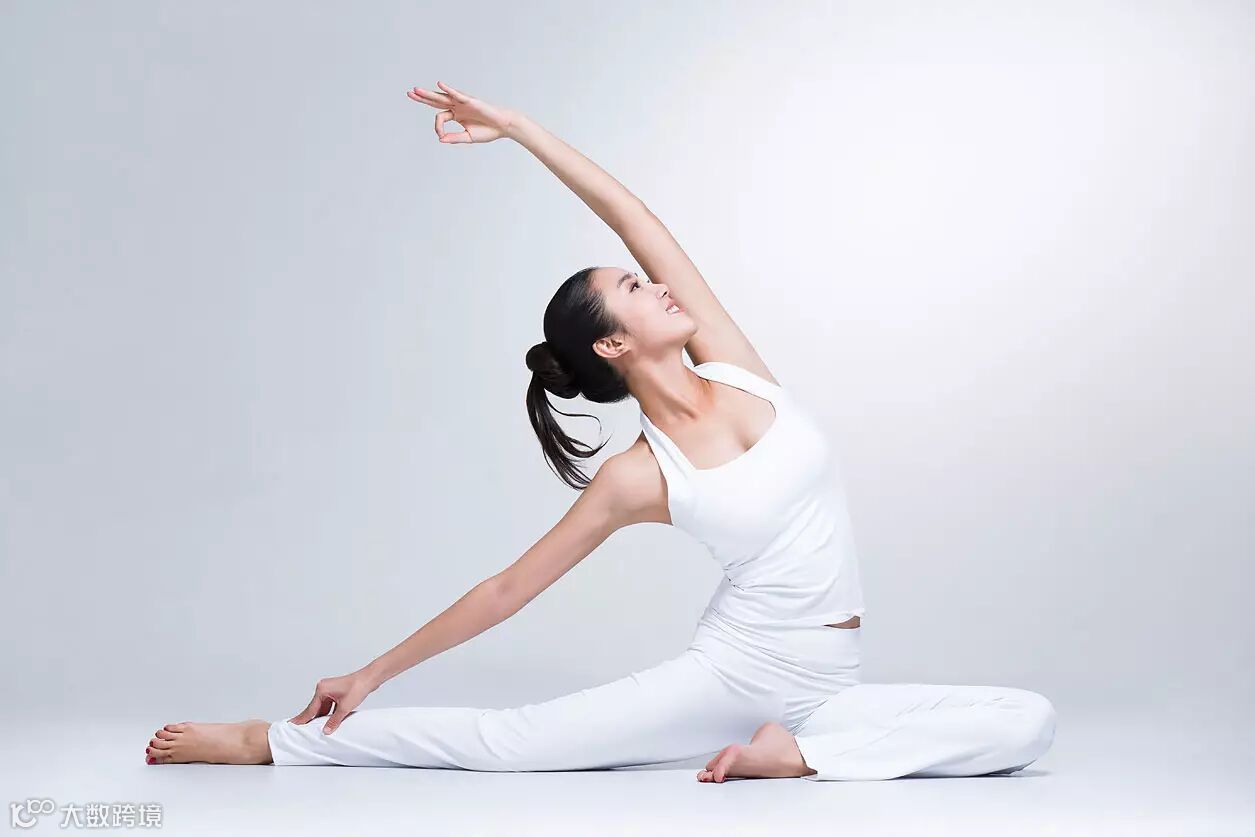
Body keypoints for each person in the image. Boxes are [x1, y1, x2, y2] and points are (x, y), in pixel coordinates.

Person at [144, 81, 1056, 782]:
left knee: (1027, 722)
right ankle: (272, 742)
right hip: (736, 674)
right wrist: (371, 671)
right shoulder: (637, 475)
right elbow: (507, 589)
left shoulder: (734, 365)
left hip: (830, 683)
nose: (657, 284)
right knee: (511, 744)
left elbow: (633, 216)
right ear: (614, 344)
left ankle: (801, 756)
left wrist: (518, 128)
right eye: (632, 289)